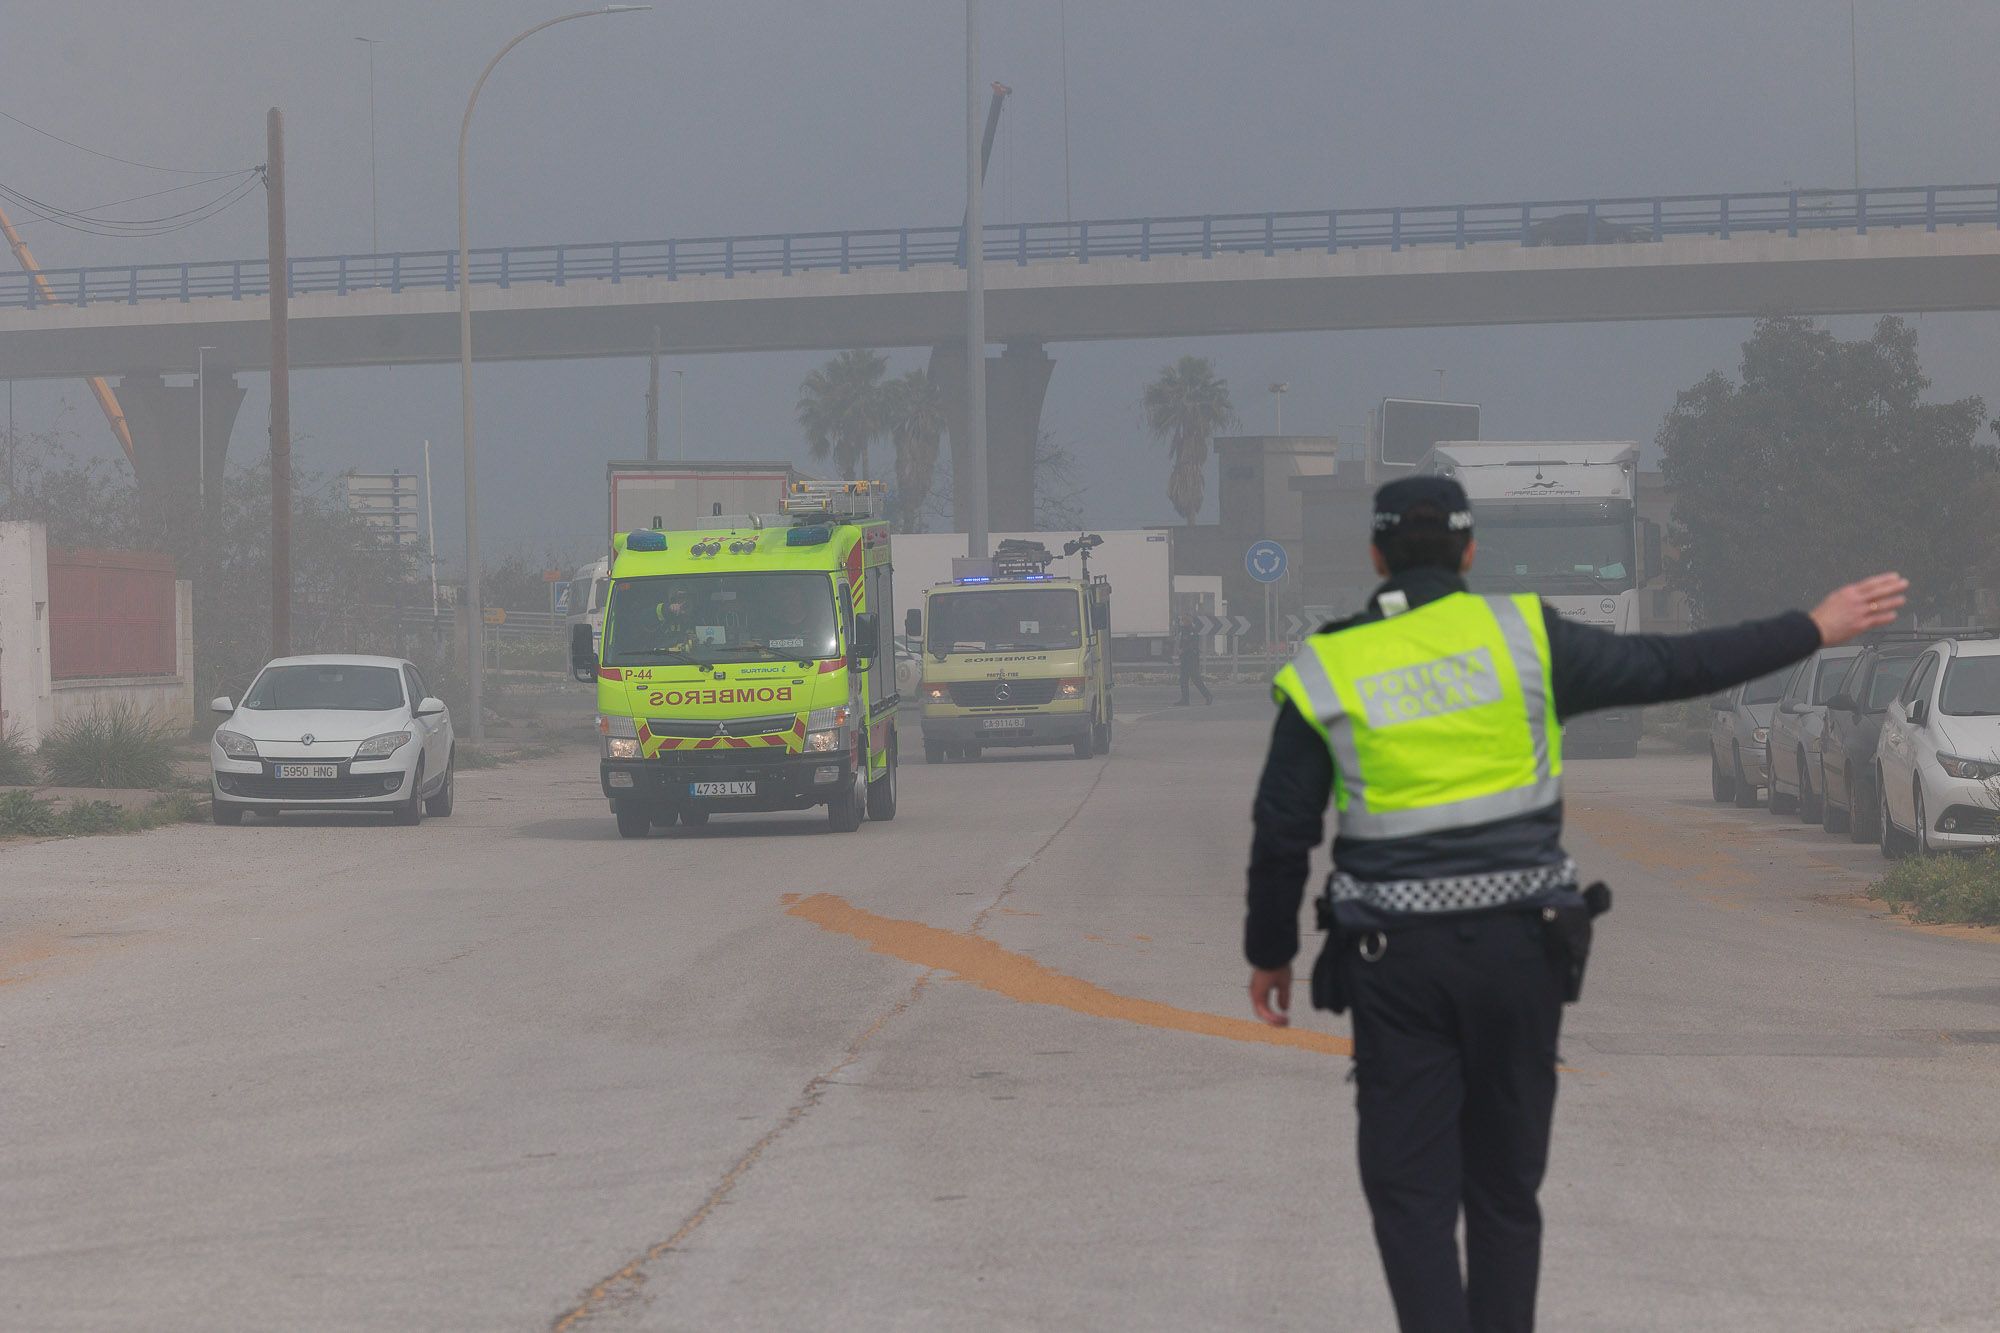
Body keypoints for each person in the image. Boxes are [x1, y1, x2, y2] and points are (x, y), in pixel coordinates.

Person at [1243, 475, 1905, 1333]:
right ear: (1471, 550)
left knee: (1411, 1194)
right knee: (1506, 1190)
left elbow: (1281, 827)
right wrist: (1812, 627)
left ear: (1376, 554)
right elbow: (1675, 665)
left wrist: (1270, 952)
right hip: (1520, 956)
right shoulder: (1525, 639)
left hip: (1394, 965)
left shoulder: (1330, 663)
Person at [1176, 613, 1214, 706]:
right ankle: (1185, 700)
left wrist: (1182, 650)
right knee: (1183, 680)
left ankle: (1208, 696)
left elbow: (1192, 645)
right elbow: (1182, 642)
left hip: (1191, 659)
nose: (1181, 622)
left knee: (1196, 679)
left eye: (1183, 620)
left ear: (1188, 621)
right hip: (1185, 659)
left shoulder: (1192, 631)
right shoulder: (1184, 630)